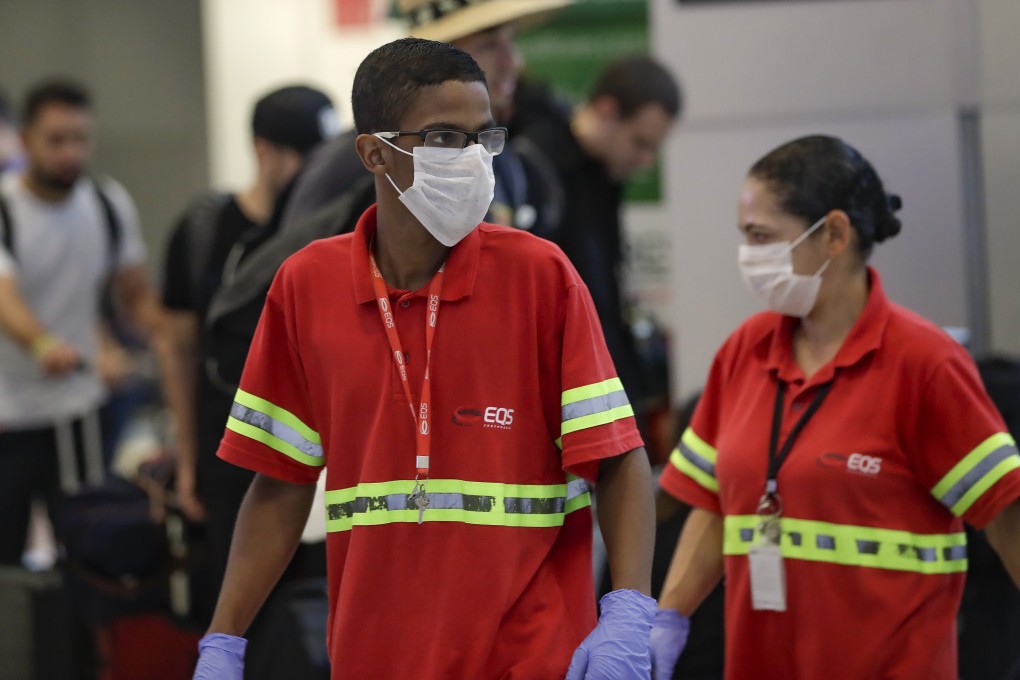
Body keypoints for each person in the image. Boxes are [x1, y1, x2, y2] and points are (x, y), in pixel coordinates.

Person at [192, 38, 656, 680]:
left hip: (531, 654)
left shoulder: (540, 276)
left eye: (482, 137)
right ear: (373, 152)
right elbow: (279, 482)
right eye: (443, 137)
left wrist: (629, 611)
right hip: (374, 655)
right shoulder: (306, 286)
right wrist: (224, 639)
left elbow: (618, 458)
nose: (470, 159)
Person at [649, 135, 1020, 680]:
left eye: (762, 236)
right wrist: (668, 619)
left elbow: (1007, 516)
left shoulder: (924, 364)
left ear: (835, 235)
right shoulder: (744, 353)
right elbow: (711, 505)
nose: (748, 255)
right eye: (744, 236)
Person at [161, 85, 337, 601]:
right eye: (306, 158)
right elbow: (177, 347)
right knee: (241, 592)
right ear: (265, 151)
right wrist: (188, 453)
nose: (316, 174)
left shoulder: (333, 231)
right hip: (231, 440)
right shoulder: (205, 231)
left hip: (317, 442)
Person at [0, 79, 169, 563]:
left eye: (80, 139)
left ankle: (79, 641)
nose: (71, 152)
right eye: (56, 140)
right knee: (7, 561)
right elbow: (5, 298)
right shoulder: (6, 208)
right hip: (10, 416)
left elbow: (134, 293)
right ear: (27, 139)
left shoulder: (106, 203)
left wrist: (167, 334)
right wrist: (43, 345)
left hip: (78, 411)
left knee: (86, 550)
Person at [276, 0, 568, 237]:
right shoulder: (359, 160)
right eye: (490, 45)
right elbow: (297, 281)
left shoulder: (502, 158)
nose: (514, 62)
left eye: (511, 40)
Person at [519, 55, 681, 438]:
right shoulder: (536, 164)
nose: (645, 161)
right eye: (640, 143)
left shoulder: (602, 173)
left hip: (597, 387)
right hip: (550, 398)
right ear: (607, 111)